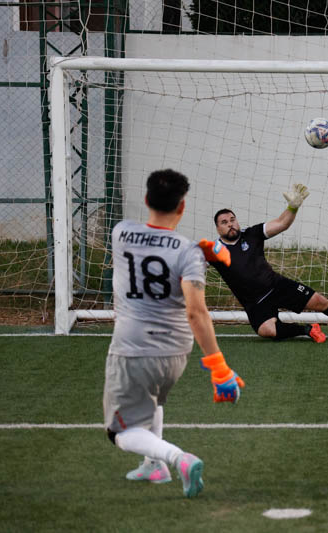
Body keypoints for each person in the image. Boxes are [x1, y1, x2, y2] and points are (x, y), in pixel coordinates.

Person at [103, 168, 243, 498]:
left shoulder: (121, 232)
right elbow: (196, 312)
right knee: (152, 401)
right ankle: (154, 466)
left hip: (133, 347)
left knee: (119, 432)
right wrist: (218, 367)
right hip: (175, 352)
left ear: (147, 199)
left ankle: (176, 457)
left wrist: (199, 250)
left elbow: (150, 244)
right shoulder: (189, 252)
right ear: (182, 208)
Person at [201, 184, 328, 343]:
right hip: (255, 302)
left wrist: (293, 207)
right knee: (266, 331)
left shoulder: (252, 233)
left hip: (276, 286)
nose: (230, 224)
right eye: (224, 222)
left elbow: (281, 223)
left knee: (320, 301)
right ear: (218, 228)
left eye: (232, 220)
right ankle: (307, 329)